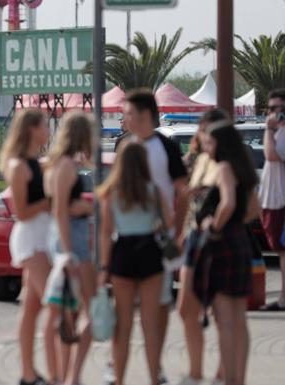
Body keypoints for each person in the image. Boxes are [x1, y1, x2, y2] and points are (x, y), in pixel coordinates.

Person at [122, 89, 188, 385]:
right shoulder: (126, 147)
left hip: (160, 241)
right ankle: (117, 364)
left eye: (128, 113)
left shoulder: (166, 146)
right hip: (127, 239)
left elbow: (182, 190)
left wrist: (180, 230)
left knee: (159, 307)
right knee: (125, 310)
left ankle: (154, 365)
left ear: (146, 114)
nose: (124, 118)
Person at [98, 141, 173, 385]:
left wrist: (104, 268)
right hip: (149, 251)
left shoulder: (112, 192)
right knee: (150, 325)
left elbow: (106, 234)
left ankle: (118, 379)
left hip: (123, 254)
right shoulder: (153, 190)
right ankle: (154, 378)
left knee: (123, 324)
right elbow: (169, 222)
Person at [193, 121, 259, 385]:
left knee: (225, 317)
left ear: (221, 144)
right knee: (239, 317)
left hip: (223, 244)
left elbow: (228, 203)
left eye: (209, 142)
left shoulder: (223, 168)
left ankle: (231, 379)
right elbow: (254, 209)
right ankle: (238, 378)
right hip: (240, 241)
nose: (205, 147)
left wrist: (214, 226)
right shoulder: (244, 170)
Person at [176, 109, 229, 385]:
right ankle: (195, 371)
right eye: (202, 129)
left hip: (218, 239)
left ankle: (222, 370)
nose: (203, 135)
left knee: (220, 310)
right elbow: (189, 199)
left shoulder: (227, 163)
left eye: (209, 130)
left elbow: (240, 205)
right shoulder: (195, 160)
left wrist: (218, 225)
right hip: (193, 236)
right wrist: (183, 230)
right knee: (185, 306)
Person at [0, 109, 52, 385]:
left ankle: (28, 374)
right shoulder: (19, 165)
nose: (49, 129)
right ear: (32, 129)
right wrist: (50, 201)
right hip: (31, 238)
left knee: (31, 308)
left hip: (43, 236)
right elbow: (22, 211)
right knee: (55, 304)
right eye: (45, 124)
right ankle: (52, 372)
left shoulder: (36, 162)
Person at [43, 112, 95, 385]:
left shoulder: (59, 164)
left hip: (67, 240)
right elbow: (61, 210)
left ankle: (66, 376)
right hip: (71, 243)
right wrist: (68, 254)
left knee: (70, 312)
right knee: (88, 309)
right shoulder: (65, 166)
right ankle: (69, 377)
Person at [258, 88, 285, 311]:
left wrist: (267, 129)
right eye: (272, 109)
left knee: (283, 251)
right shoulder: (278, 133)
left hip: (282, 203)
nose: (275, 114)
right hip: (272, 201)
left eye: (280, 109)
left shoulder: (279, 134)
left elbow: (271, 155)